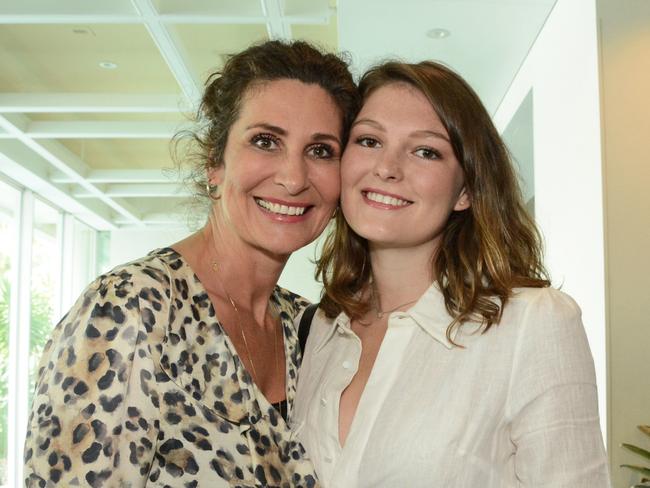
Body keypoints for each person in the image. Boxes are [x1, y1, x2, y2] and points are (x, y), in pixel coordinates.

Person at [23, 40, 359, 487]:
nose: (293, 178)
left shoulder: (311, 329)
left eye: (320, 151)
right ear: (214, 165)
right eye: (265, 141)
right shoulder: (131, 309)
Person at [292, 61, 611, 487]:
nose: (387, 167)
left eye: (426, 151)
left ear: (466, 191)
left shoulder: (532, 323)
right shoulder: (321, 328)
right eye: (369, 140)